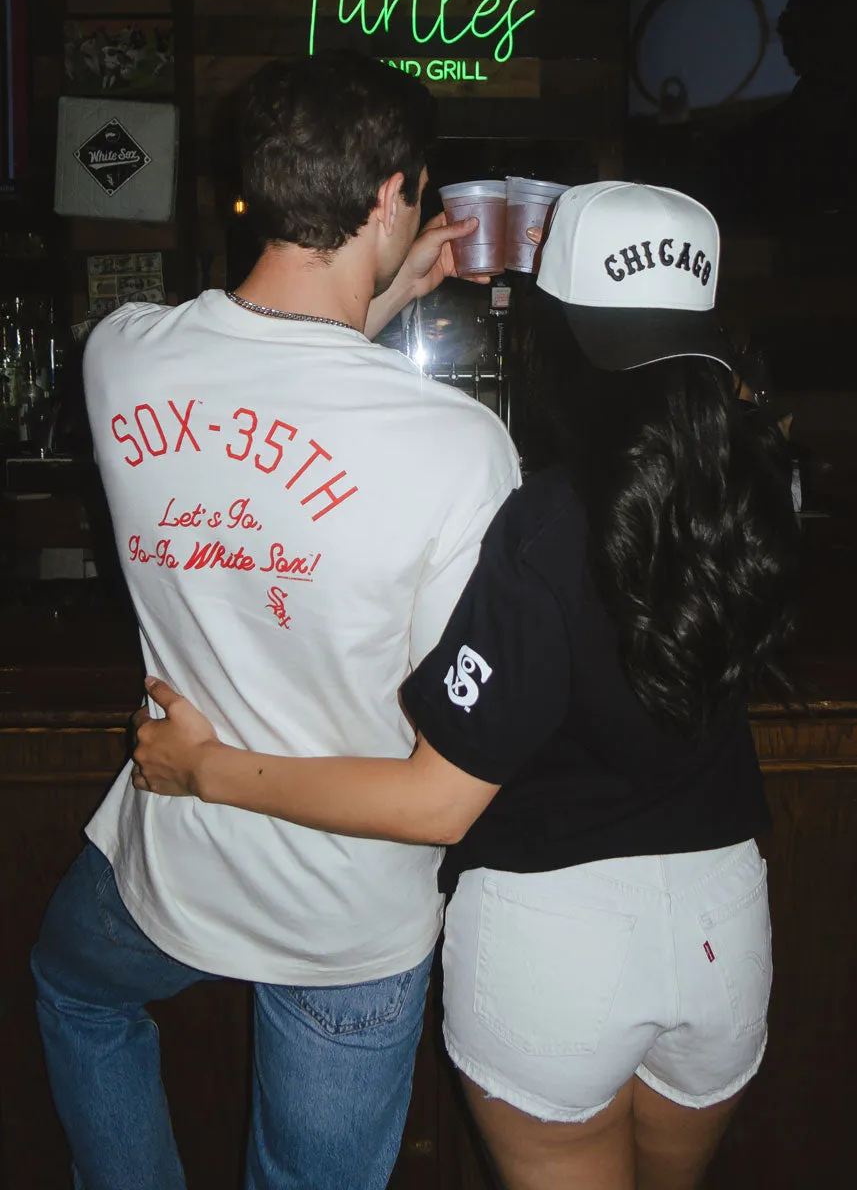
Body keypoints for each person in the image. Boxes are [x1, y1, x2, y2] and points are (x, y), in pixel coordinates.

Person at [132, 182, 799, 1190]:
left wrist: (205, 769)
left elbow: (438, 803)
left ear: (552, 338)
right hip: (720, 932)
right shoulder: (755, 500)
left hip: (556, 946)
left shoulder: (548, 526)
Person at [30, 51, 520, 1190]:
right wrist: (387, 292)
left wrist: (381, 290)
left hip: (174, 867)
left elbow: (264, 364)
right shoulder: (460, 446)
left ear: (251, 182)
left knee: (74, 992)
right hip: (348, 917)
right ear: (394, 195)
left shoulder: (122, 359)